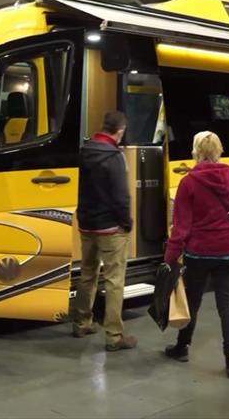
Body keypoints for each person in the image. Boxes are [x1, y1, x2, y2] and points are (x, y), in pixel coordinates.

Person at [163, 131, 229, 378]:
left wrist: (169, 257)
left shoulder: (188, 182)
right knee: (227, 305)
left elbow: (181, 227)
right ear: (219, 150)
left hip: (198, 252)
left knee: (193, 302)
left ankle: (182, 347)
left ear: (196, 151)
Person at [71, 110, 137, 352]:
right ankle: (114, 336)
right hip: (110, 228)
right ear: (119, 131)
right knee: (114, 281)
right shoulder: (114, 157)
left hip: (87, 224)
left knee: (87, 274)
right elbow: (121, 197)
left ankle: (81, 322)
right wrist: (126, 223)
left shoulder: (85, 151)